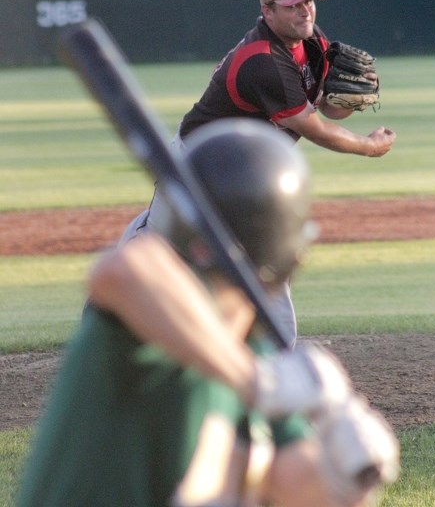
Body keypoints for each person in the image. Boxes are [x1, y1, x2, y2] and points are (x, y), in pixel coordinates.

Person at [17, 121, 399, 507]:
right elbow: (123, 270)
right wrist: (256, 382)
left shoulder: (255, 354)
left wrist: (348, 477)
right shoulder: (143, 332)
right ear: (290, 255)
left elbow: (293, 484)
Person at [117, 0, 397, 347]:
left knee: (263, 248)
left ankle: (279, 351)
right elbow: (313, 128)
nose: (306, 13)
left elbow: (325, 109)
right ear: (268, 11)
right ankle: (110, 313)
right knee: (162, 248)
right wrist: (370, 146)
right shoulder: (262, 60)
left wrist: (350, 101)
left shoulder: (313, 44)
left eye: (310, 4)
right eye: (294, 6)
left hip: (248, 172)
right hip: (197, 164)